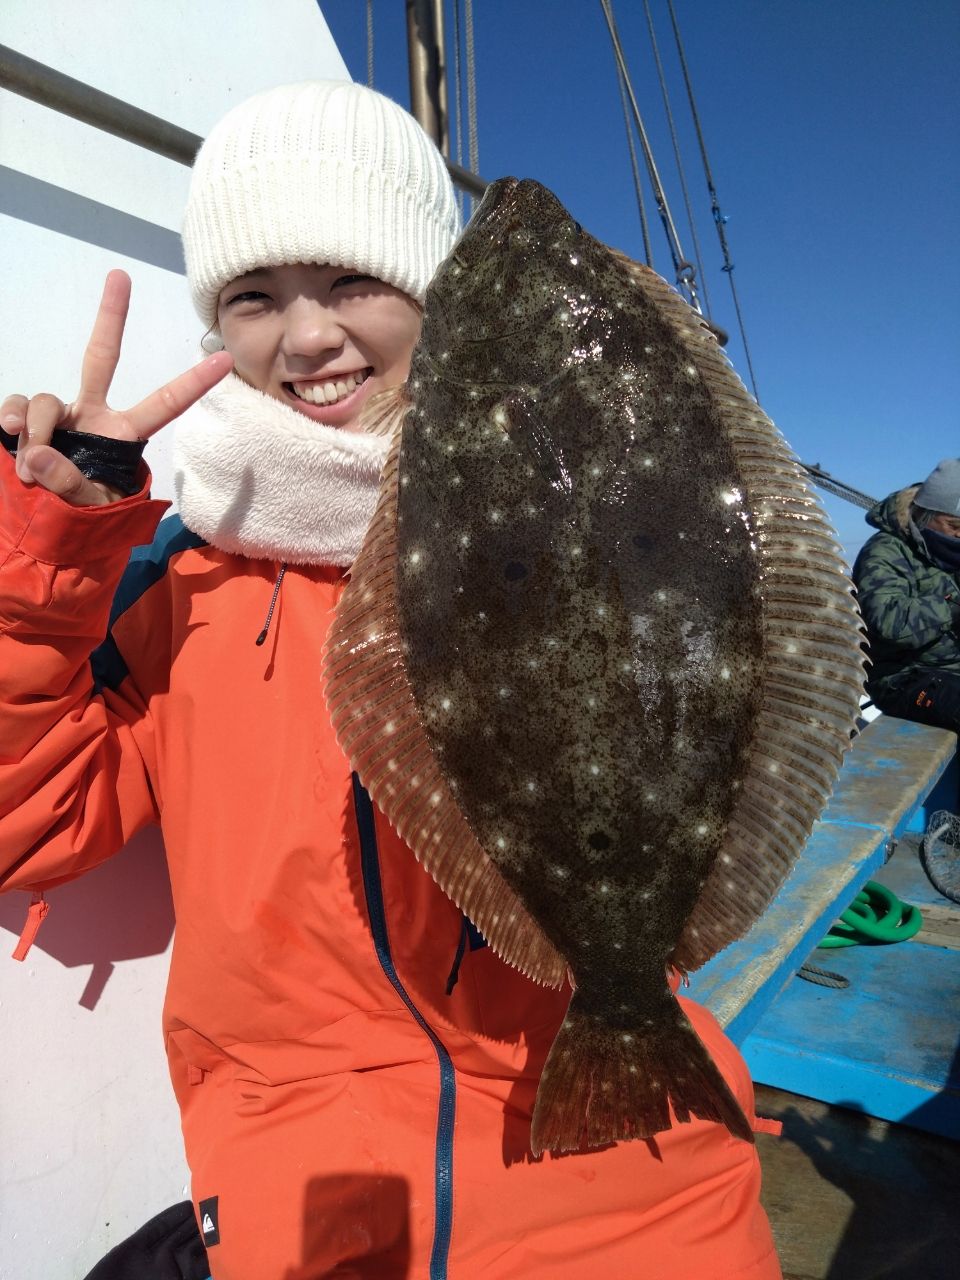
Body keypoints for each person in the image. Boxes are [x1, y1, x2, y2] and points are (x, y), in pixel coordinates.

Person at [0, 80, 781, 1280]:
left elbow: (727, 657)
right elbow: (30, 821)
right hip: (319, 1198)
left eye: (352, 281)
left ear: (438, 295)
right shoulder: (176, 575)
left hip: (635, 1153)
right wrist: (46, 550)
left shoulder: (583, 514)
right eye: (255, 298)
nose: (306, 337)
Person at [853, 458, 960, 732]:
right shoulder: (884, 552)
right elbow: (888, 623)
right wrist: (951, 605)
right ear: (924, 514)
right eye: (954, 526)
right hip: (904, 679)